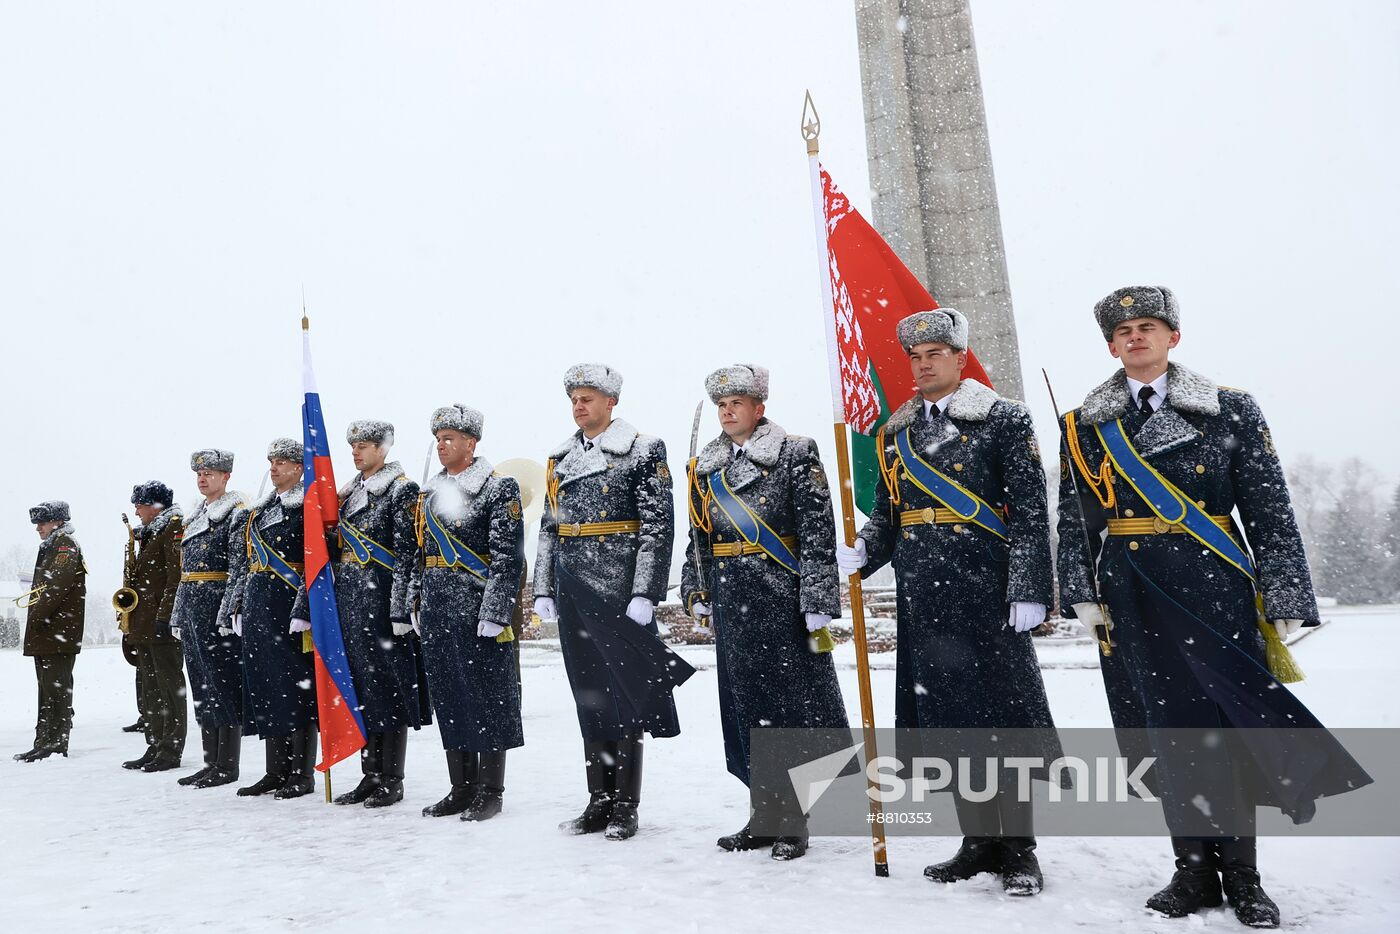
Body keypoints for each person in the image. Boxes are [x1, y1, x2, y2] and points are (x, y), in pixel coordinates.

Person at [1055, 286, 1372, 927]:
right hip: (1131, 591)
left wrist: (1284, 592)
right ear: (1111, 346)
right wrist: (1081, 592)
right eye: (1124, 331)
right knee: (1166, 730)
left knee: (1231, 727)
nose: (1136, 337)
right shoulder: (1086, 423)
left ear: (1174, 337)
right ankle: (1192, 870)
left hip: (1214, 584)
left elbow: (1269, 507)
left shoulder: (1230, 410)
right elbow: (1074, 516)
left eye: (1149, 326)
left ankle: (1245, 876)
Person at [837, 309, 1062, 896]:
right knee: (951, 723)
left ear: (961, 358)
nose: (923, 364)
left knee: (1003, 722)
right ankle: (976, 841)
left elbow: (1031, 510)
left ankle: (1019, 850)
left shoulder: (1002, 418)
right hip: (925, 595)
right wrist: (865, 549)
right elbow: (891, 511)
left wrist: (1031, 586)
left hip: (988, 593)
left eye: (935, 353)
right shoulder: (896, 431)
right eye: (915, 357)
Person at [680, 364, 849, 861]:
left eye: (738, 402)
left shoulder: (796, 452)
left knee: (791, 709)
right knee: (746, 710)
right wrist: (697, 591)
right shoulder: (705, 466)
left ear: (760, 408)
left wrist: (818, 599)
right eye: (722, 404)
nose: (728, 410)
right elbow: (698, 540)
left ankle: (794, 820)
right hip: (733, 602)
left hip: (782, 597)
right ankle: (763, 812)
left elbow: (818, 531)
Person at [534, 363, 694, 841]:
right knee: (590, 695)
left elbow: (658, 527)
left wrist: (646, 591)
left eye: (588, 398)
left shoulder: (643, 450)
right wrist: (543, 586)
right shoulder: (560, 457)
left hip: (618, 590)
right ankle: (597, 799)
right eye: (574, 399)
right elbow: (549, 527)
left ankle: (626, 802)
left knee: (626, 694)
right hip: (572, 588)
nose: (579, 406)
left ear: (611, 403)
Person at [413, 404, 524, 821]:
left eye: (451, 439)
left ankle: (490, 790)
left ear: (471, 443)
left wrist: (495, 609)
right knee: (450, 694)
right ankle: (461, 787)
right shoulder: (428, 493)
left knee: (488, 696)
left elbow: (508, 556)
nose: (442, 446)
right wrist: (415, 603)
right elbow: (420, 555)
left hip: (477, 605)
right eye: (439, 439)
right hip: (439, 606)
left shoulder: (499, 488)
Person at [329, 419, 431, 809]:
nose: (356, 451)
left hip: (383, 604)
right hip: (351, 603)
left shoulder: (400, 489)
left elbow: (408, 553)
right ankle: (369, 775)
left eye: (365, 445)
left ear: (383, 449)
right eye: (353, 445)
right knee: (361, 693)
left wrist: (402, 607)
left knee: (388, 691)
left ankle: (392, 777)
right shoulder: (346, 495)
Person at [226, 438, 318, 799]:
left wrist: (304, 610)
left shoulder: (306, 507)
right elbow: (243, 566)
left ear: (299, 468)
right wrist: (236, 608)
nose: (274, 468)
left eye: (282, 462)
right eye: (271, 461)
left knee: (296, 692)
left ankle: (300, 772)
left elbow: (315, 563)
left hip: (289, 611)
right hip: (260, 609)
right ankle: (274, 770)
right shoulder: (260, 511)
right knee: (266, 690)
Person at [171, 449, 247, 789]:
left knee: (223, 686)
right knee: (201, 686)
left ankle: (227, 765)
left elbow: (238, 567)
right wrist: (177, 615)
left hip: (216, 609)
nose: (203, 478)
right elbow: (184, 573)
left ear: (226, 476)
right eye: (199, 473)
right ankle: (209, 761)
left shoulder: (235, 512)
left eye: (211, 472)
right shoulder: (194, 516)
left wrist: (229, 612)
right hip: (192, 610)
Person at [122, 481, 187, 773]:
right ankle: (155, 743)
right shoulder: (149, 533)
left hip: (161, 624)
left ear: (155, 505)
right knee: (151, 689)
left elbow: (176, 577)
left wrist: (165, 617)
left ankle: (170, 749)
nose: (136, 510)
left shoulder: (172, 529)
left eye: (140, 504)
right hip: (145, 624)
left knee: (169, 688)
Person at [14, 501, 86, 762]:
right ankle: (44, 740)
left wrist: (38, 616)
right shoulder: (52, 545)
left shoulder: (65, 544)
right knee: (47, 690)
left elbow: (57, 585)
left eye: (42, 523)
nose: (38, 528)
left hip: (57, 631)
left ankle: (55, 742)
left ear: (57, 521)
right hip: (49, 632)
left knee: (56, 690)